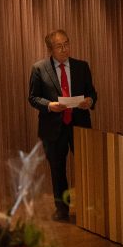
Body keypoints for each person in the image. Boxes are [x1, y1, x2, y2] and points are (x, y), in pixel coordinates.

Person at [28, 28, 97, 221]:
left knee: (86, 168)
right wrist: (49, 105)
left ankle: (89, 207)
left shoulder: (81, 66)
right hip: (53, 128)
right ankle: (62, 210)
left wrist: (89, 101)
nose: (65, 49)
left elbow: (92, 93)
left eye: (66, 44)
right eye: (59, 46)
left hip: (79, 125)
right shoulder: (39, 69)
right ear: (50, 49)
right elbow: (33, 98)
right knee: (57, 170)